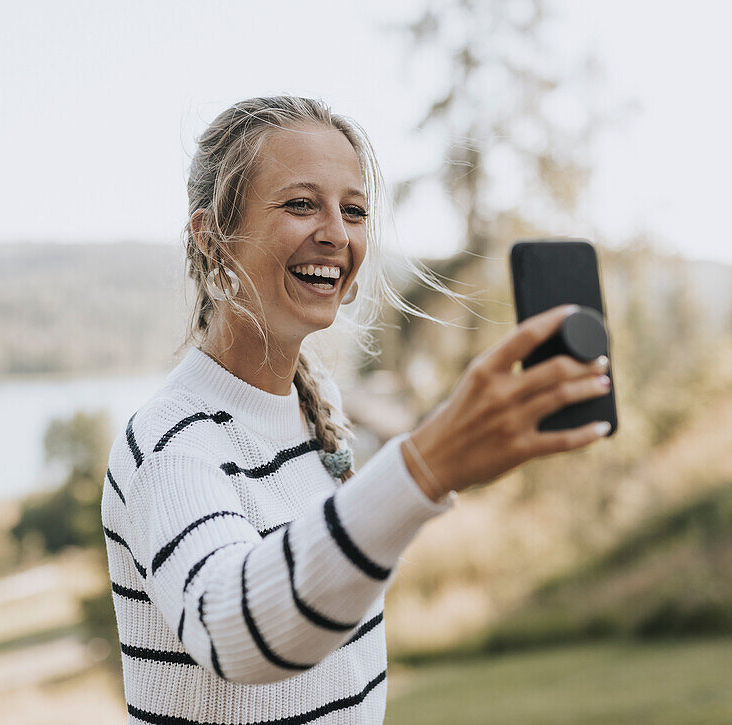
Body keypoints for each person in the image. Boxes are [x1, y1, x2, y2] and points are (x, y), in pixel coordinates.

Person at [101, 95, 612, 723]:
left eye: (354, 210)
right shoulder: (171, 443)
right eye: (299, 204)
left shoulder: (320, 412)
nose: (337, 234)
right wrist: (427, 466)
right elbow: (232, 629)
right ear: (211, 236)